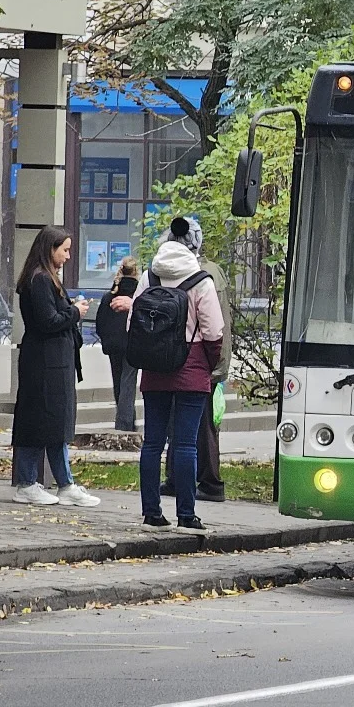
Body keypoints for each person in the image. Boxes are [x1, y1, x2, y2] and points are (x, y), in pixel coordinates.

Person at [129, 217, 225, 530]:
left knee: (152, 443)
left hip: (155, 367)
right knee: (185, 444)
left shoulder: (149, 276)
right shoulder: (202, 280)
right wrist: (208, 365)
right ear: (194, 245)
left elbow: (133, 324)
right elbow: (213, 331)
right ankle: (187, 514)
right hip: (192, 366)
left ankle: (151, 512)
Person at [9, 225, 101, 507]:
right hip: (44, 363)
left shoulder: (47, 279)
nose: (69, 256)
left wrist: (71, 307)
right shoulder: (39, 281)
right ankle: (27, 482)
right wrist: (75, 312)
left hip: (55, 362)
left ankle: (65, 482)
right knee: (38, 421)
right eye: (65, 250)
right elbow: (47, 321)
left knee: (56, 423)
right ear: (50, 249)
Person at [159, 218, 232, 502]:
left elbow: (215, 326)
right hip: (203, 361)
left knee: (198, 427)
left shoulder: (195, 273)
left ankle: (209, 482)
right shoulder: (210, 272)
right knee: (191, 425)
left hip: (192, 361)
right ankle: (182, 479)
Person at [96, 257, 140, 432]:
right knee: (128, 383)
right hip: (133, 345)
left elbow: (100, 322)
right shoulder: (139, 297)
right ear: (137, 273)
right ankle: (124, 425)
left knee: (118, 384)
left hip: (114, 346)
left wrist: (107, 339)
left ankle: (127, 421)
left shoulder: (110, 296)